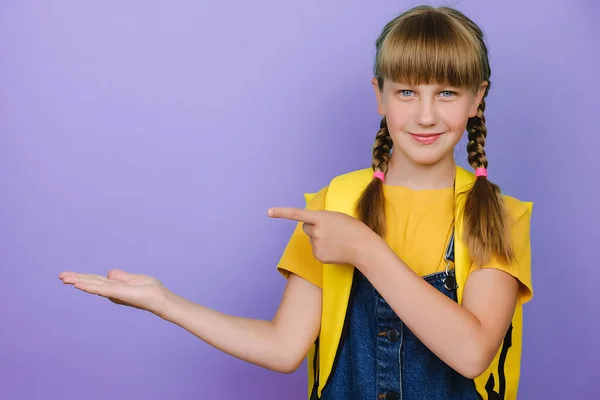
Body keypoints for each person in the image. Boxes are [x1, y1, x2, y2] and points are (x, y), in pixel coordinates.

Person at [59, 5, 533, 400]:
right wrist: (165, 302)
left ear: (477, 99)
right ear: (379, 96)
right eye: (407, 91)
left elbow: (472, 354)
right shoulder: (338, 202)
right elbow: (284, 348)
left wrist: (364, 249)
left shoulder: (498, 216)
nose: (426, 114)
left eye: (446, 93)